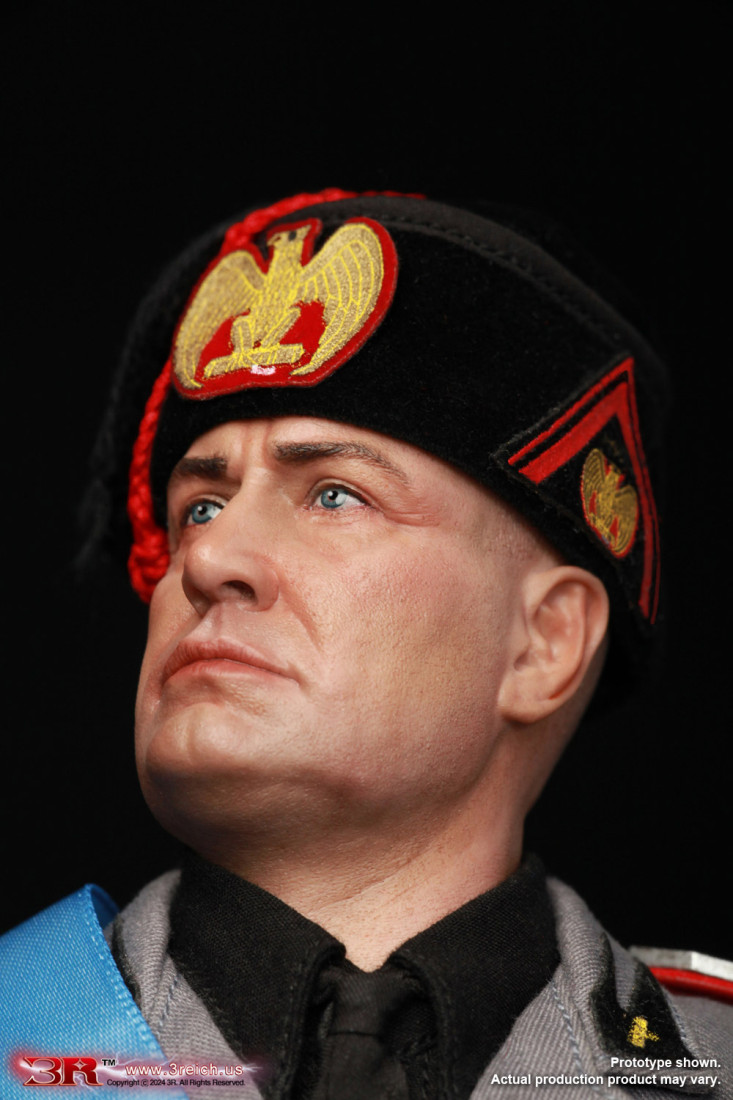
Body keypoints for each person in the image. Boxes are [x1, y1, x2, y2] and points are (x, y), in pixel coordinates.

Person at [2, 189, 730, 1098]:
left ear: (544, 643)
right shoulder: (24, 1023)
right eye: (201, 507)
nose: (207, 560)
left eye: (335, 495)